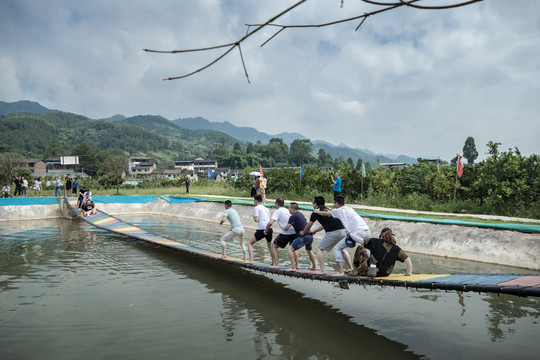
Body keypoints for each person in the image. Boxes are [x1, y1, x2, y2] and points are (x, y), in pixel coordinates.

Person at [314, 195, 372, 274]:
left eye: (334, 203)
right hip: (367, 231)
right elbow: (334, 212)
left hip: (357, 232)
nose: (334, 205)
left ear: (336, 203)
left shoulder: (337, 211)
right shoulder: (349, 208)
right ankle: (370, 270)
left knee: (337, 248)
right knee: (367, 250)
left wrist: (317, 212)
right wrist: (332, 210)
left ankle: (341, 271)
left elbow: (326, 214)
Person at [300, 196, 347, 274]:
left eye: (313, 203)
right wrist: (315, 231)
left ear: (315, 204)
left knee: (319, 248)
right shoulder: (328, 209)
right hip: (343, 230)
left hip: (334, 232)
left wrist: (303, 232)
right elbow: (325, 224)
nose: (313, 204)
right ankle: (350, 268)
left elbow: (309, 225)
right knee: (341, 248)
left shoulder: (316, 212)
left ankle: (322, 270)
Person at [283, 202, 316, 271]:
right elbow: (307, 222)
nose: (288, 209)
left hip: (304, 236)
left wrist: (284, 228)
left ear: (292, 208)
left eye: (289, 208)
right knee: (309, 251)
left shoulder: (293, 216)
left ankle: (293, 267)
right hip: (310, 235)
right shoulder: (300, 214)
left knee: (290, 249)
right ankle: (314, 267)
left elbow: (287, 228)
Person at [265, 198, 297, 268]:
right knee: (293, 248)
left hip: (286, 232)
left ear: (276, 204)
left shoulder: (277, 211)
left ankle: (276, 265)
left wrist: (266, 230)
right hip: (294, 232)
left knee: (274, 246)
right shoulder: (287, 210)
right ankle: (297, 265)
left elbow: (270, 223)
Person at [247, 194, 273, 263]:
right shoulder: (266, 208)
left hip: (262, 229)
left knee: (250, 243)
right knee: (270, 245)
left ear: (255, 201)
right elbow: (269, 219)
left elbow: (256, 220)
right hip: (270, 229)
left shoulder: (256, 208)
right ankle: (274, 262)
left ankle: (251, 260)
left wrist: (253, 216)